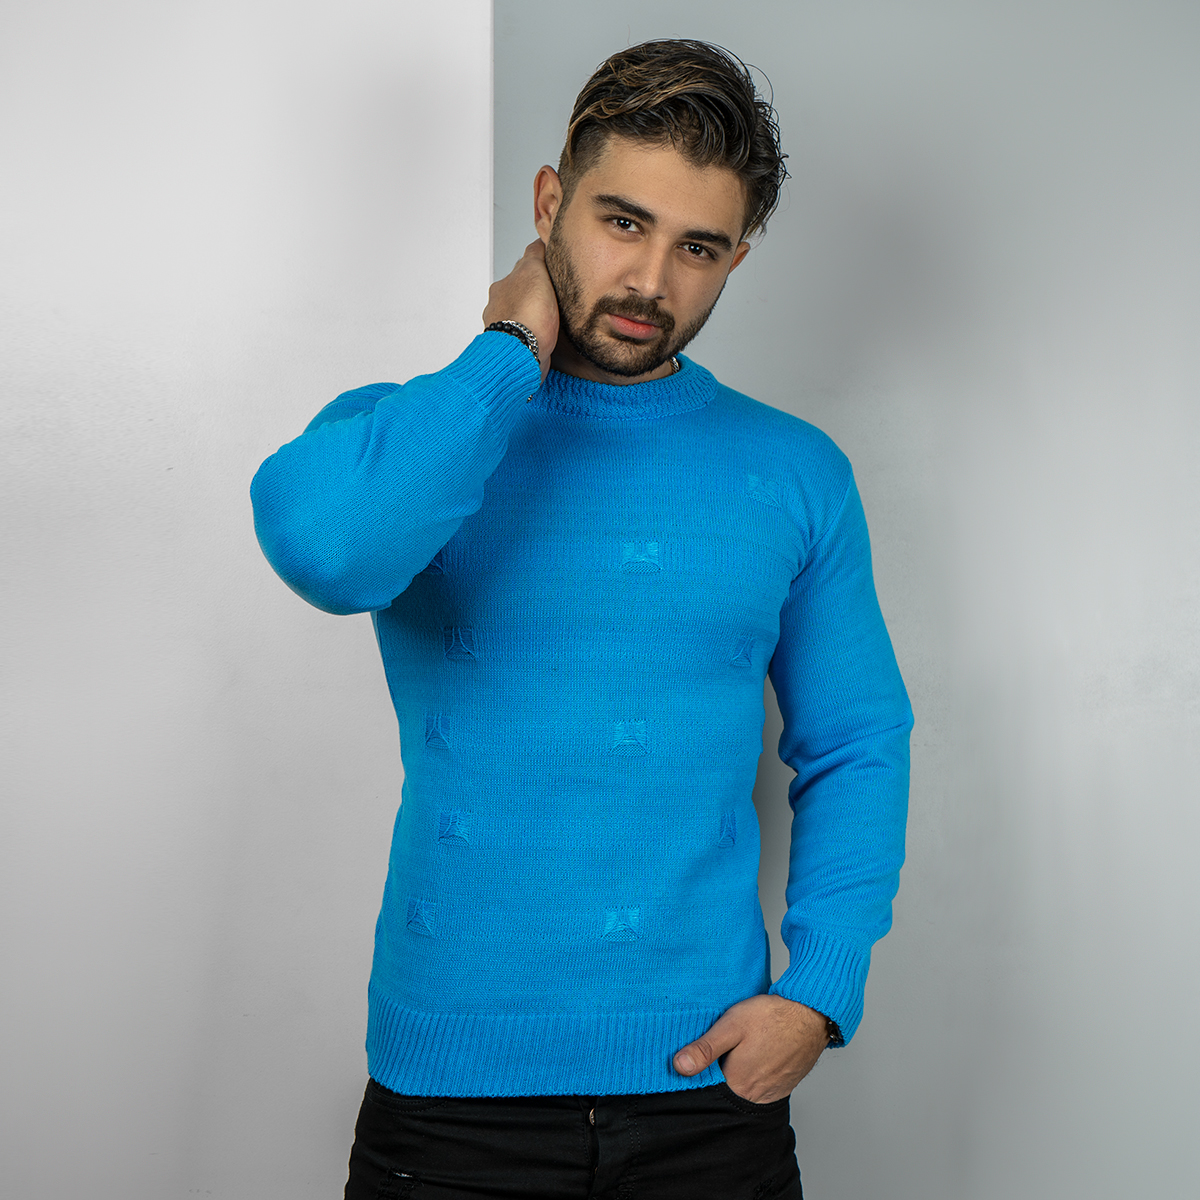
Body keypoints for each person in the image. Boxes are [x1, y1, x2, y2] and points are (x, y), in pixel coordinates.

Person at [251, 38, 912, 1200]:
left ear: (736, 258)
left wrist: (818, 993)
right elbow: (326, 551)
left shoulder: (795, 470)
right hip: (450, 1105)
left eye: (696, 247)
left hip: (709, 1094)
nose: (650, 281)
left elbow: (856, 740)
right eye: (621, 222)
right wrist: (506, 355)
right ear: (550, 203)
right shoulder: (420, 429)